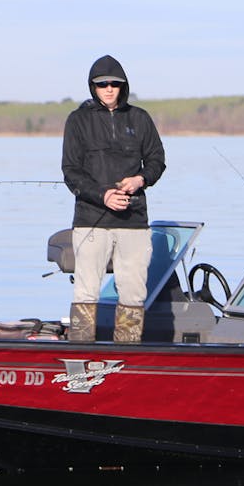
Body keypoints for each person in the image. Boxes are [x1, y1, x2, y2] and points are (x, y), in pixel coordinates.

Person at [61, 55, 166, 343]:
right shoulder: (78, 121)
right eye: (102, 84)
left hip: (133, 221)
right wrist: (103, 195)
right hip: (90, 221)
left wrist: (140, 179)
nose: (108, 89)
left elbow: (157, 160)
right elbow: (71, 172)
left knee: (133, 292)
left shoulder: (140, 118)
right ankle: (80, 352)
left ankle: (128, 353)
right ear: (93, 87)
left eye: (114, 84)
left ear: (123, 86)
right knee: (86, 291)